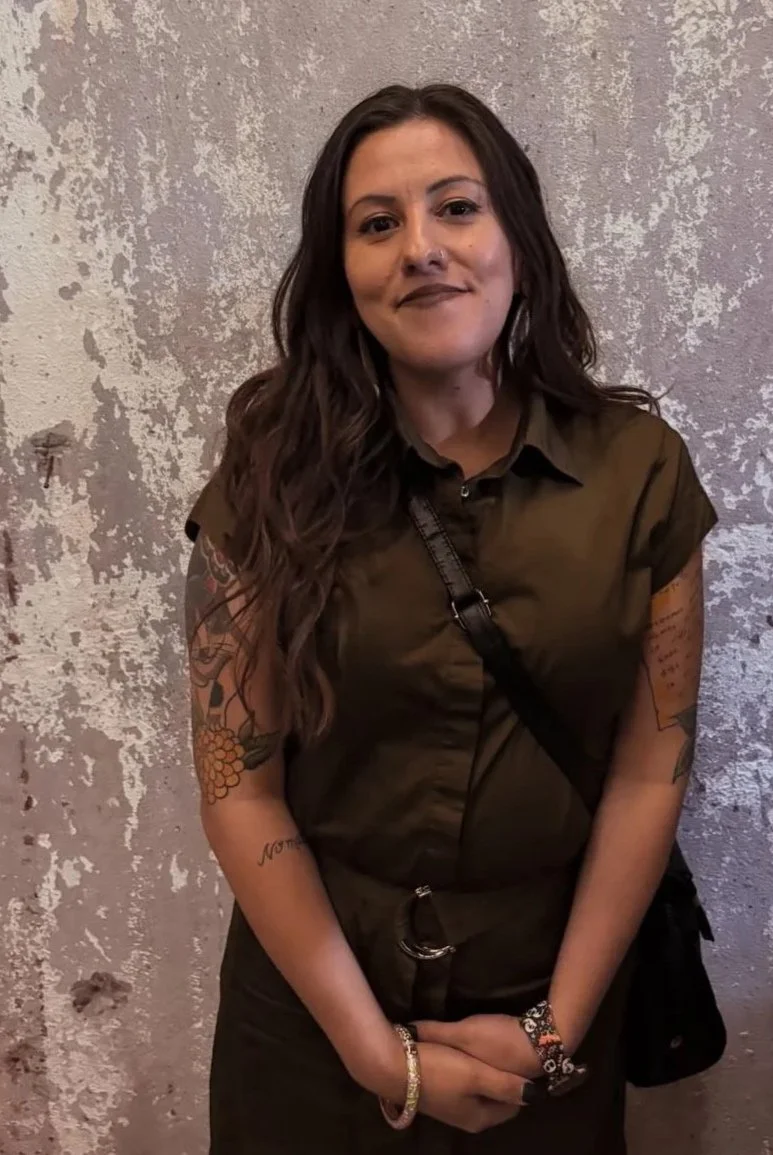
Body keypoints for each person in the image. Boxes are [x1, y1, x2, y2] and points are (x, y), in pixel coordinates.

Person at [183, 83, 717, 1154]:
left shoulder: (639, 473)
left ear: (516, 232)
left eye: (456, 208)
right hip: (312, 1017)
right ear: (341, 271)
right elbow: (239, 785)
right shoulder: (271, 474)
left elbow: (645, 769)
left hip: (546, 1001)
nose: (419, 247)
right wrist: (378, 1055)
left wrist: (554, 1031)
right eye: (376, 224)